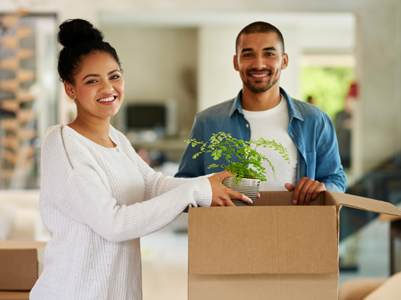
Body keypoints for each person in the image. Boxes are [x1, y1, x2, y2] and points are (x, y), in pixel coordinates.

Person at [30, 19, 252, 300]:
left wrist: (212, 183)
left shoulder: (117, 139)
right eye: (92, 80)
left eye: (114, 76)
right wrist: (196, 190)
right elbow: (113, 224)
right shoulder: (62, 144)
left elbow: (153, 185)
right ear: (70, 89)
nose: (108, 87)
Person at [176, 21, 347, 205]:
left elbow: (337, 181)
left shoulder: (315, 120)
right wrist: (206, 192)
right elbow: (183, 188)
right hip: (227, 231)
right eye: (248, 54)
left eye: (269, 54)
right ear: (236, 62)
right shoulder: (207, 122)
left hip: (296, 230)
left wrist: (323, 189)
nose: (258, 64)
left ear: (284, 61)